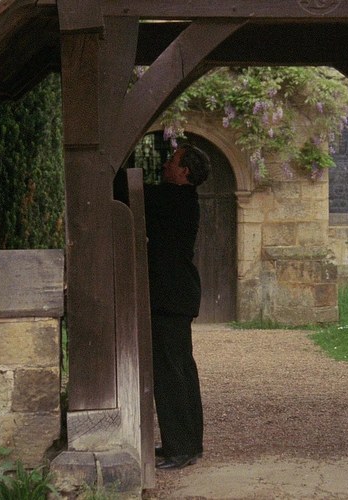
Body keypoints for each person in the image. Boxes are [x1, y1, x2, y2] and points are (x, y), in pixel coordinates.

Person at [144, 143, 210, 470]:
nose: (166, 164)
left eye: (172, 161)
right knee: (181, 369)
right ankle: (188, 442)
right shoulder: (182, 200)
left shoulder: (173, 198)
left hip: (169, 297)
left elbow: (127, 190)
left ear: (184, 172)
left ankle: (181, 448)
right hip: (176, 295)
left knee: (171, 373)